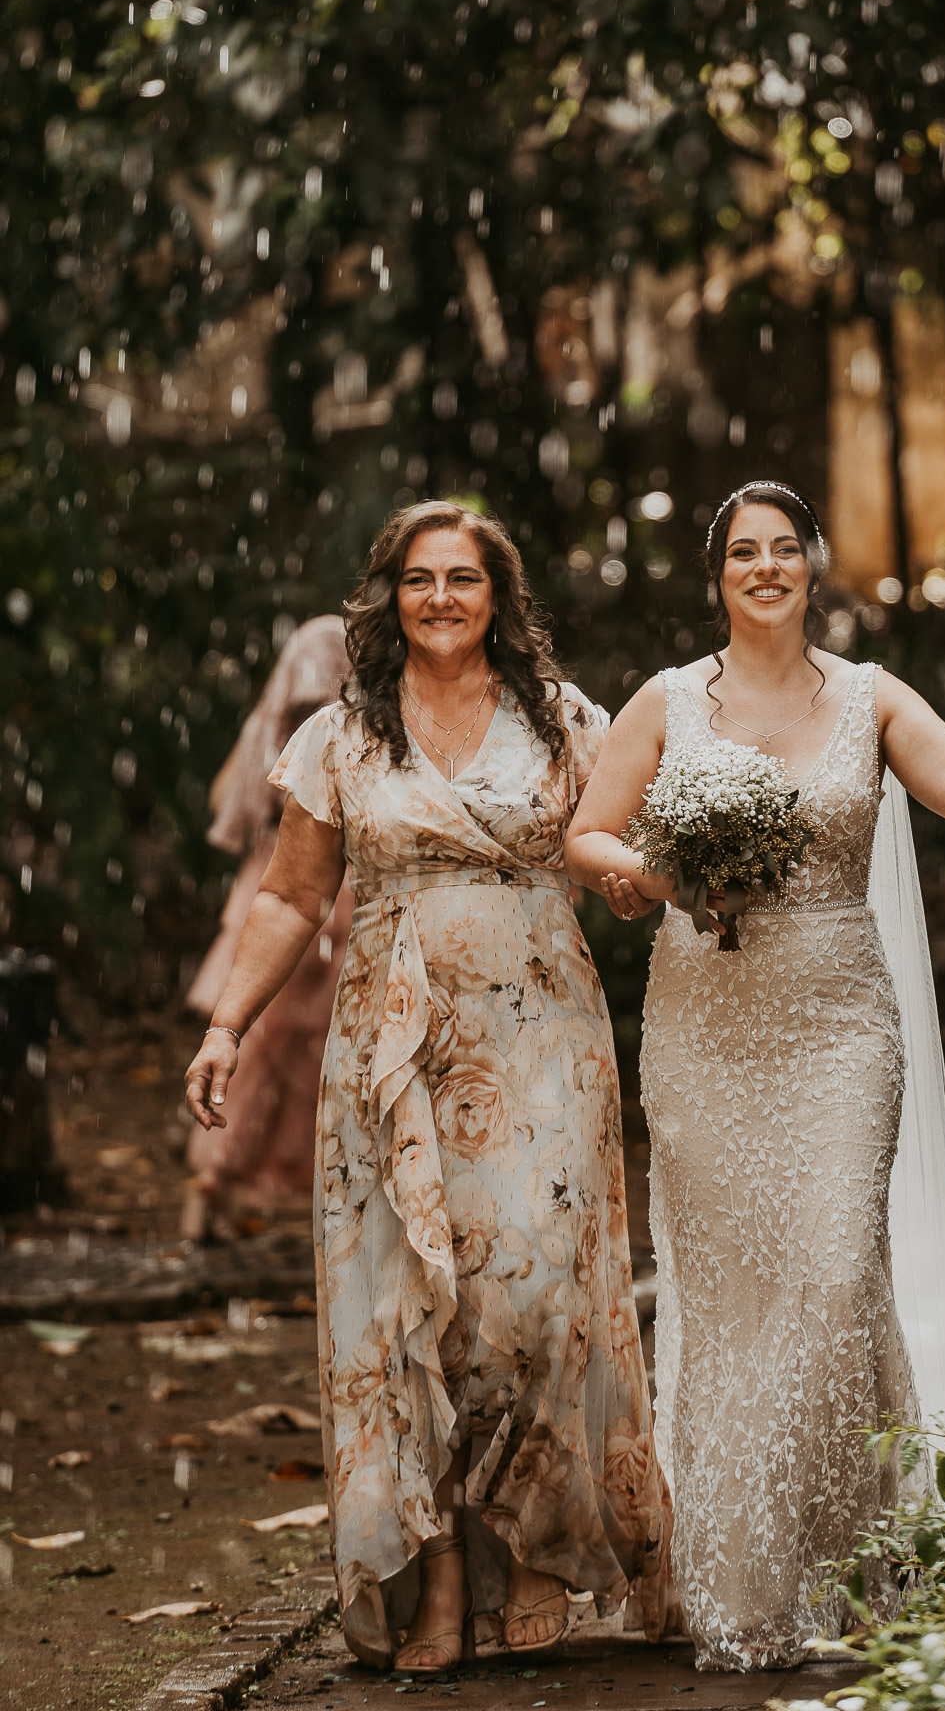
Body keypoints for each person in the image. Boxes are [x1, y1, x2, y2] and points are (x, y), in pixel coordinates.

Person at [564, 480, 945, 1672]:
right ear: (718, 574)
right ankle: (753, 1574)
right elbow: (586, 833)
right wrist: (667, 876)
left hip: (838, 1030)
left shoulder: (870, 698)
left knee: (828, 1274)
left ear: (814, 567)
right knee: (732, 1301)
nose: (764, 569)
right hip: (706, 1029)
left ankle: (793, 1544)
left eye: (785, 551)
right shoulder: (669, 701)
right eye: (743, 554)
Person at [183, 502, 669, 1674]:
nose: (441, 597)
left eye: (463, 578)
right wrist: (225, 1027)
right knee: (415, 1314)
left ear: (499, 597)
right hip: (390, 1053)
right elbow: (292, 899)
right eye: (419, 579)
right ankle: (445, 1584)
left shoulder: (563, 722)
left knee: (540, 1294)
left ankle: (544, 1547)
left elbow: (621, 843)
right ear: (388, 598)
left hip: (546, 1034)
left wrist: (640, 884)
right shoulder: (344, 737)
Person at [184, 615, 353, 1239]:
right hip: (312, 871)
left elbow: (230, 790)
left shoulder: (279, 708)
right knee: (275, 1031)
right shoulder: (330, 681)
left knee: (292, 1040)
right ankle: (216, 1181)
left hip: (301, 869)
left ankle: (223, 1185)